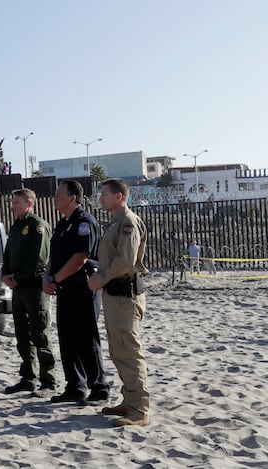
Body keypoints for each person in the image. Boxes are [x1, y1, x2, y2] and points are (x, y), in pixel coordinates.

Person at [88, 178, 150, 427]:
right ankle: (130, 400)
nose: (101, 198)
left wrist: (100, 279)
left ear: (119, 197)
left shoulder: (127, 222)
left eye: (104, 194)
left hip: (125, 295)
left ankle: (139, 409)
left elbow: (126, 260)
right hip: (114, 295)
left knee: (128, 350)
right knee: (118, 350)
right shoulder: (115, 222)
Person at [44, 180, 110, 405]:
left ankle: (99, 388)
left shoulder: (84, 222)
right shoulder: (62, 224)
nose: (56, 198)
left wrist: (55, 278)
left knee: (86, 339)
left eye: (60, 194)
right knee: (67, 339)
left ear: (73, 197)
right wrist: (47, 277)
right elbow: (55, 256)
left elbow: (80, 258)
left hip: (82, 288)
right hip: (64, 288)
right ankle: (75, 387)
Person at [1, 187, 55, 394]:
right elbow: (8, 255)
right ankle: (28, 378)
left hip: (34, 288)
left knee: (40, 334)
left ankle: (48, 381)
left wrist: (17, 277)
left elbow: (39, 261)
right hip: (17, 288)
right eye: (13, 202)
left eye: (17, 202)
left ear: (29, 203)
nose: (13, 206)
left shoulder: (37, 226)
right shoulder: (16, 227)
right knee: (22, 335)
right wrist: (6, 275)